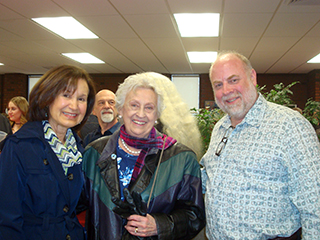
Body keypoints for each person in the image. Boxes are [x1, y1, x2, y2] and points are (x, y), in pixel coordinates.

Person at [201, 51, 320, 239]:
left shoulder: (290, 126)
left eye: (233, 80)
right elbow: (209, 177)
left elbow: (315, 205)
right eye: (218, 84)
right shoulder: (220, 128)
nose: (226, 90)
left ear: (252, 77)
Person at [80, 72, 205, 240]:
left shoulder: (182, 159)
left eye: (149, 107)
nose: (141, 114)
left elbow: (195, 217)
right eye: (134, 105)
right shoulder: (94, 153)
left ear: (157, 114)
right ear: (121, 109)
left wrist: (159, 225)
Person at [0, 65, 96, 240]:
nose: (74, 105)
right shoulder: (20, 145)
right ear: (47, 98)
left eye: (81, 99)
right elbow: (7, 216)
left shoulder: (79, 148)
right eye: (66, 95)